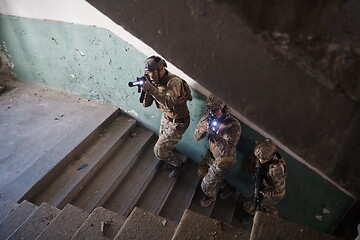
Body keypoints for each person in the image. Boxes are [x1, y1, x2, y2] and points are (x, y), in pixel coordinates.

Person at [141, 55, 192, 178]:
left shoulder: (174, 82)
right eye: (149, 72)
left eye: (153, 72)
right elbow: (146, 104)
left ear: (162, 69)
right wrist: (145, 90)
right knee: (164, 145)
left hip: (178, 122)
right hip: (167, 118)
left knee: (159, 151)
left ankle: (179, 164)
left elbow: (169, 104)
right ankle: (171, 158)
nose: (151, 75)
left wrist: (151, 89)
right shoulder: (154, 81)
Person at [194, 95, 241, 207]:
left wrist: (217, 135)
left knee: (205, 184)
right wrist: (203, 129)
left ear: (224, 108)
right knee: (201, 171)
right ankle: (225, 186)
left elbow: (226, 151)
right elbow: (196, 137)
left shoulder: (233, 125)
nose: (212, 113)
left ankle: (210, 196)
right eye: (210, 110)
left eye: (215, 111)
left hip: (224, 159)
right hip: (212, 154)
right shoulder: (207, 117)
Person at [243, 138, 287, 216]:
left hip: (274, 192)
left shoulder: (276, 170)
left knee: (268, 206)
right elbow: (255, 160)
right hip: (266, 181)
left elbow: (279, 190)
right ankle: (254, 214)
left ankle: (272, 220)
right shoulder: (264, 149)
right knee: (249, 206)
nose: (260, 160)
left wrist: (267, 193)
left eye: (262, 159)